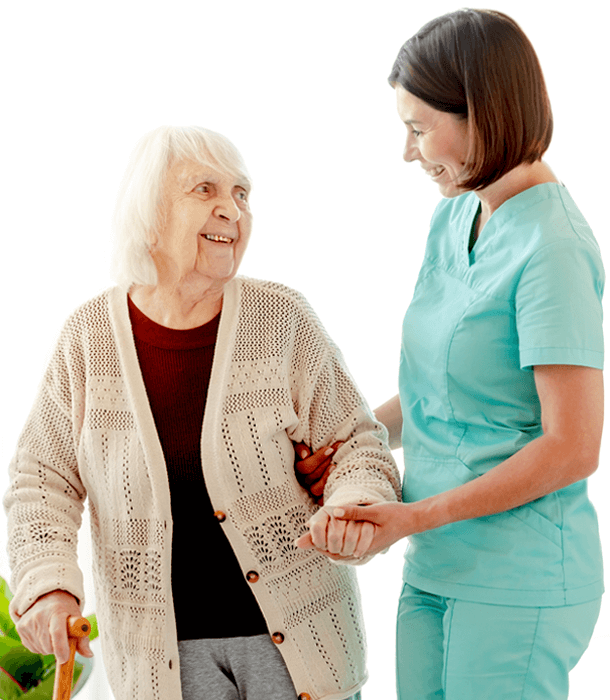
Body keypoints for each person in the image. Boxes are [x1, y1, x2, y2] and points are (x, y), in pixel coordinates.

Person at [4, 125, 401, 700]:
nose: (231, 209)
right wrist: (47, 586)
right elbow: (42, 480)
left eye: (242, 194)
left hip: (300, 642)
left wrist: (351, 505)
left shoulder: (281, 319)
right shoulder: (89, 338)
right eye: (205, 190)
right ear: (150, 212)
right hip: (159, 657)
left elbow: (358, 445)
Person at [296, 9, 605, 699]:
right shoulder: (456, 214)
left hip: (514, 580)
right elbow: (443, 392)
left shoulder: (552, 248)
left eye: (417, 128)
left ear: (482, 113)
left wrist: (412, 516)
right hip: (435, 566)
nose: (408, 153)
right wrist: (351, 442)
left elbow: (574, 446)